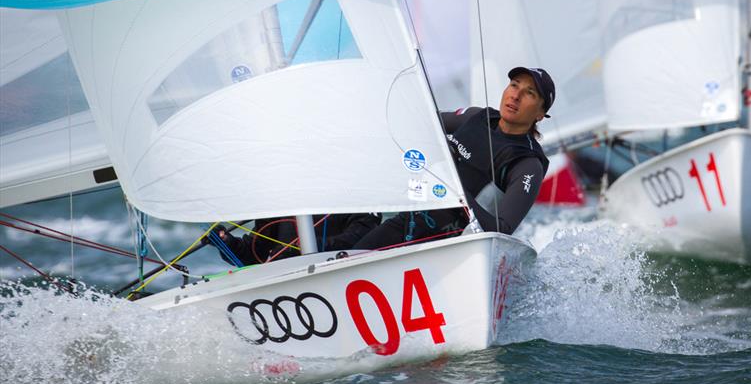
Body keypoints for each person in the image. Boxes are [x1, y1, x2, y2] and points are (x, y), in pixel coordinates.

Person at [353, 66, 554, 249]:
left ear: (540, 114)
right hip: (410, 221)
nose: (516, 95)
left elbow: (502, 229)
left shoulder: (528, 164)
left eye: (529, 93)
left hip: (454, 249)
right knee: (354, 254)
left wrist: (454, 189)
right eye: (513, 85)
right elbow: (423, 122)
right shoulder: (476, 117)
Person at [213, 212, 380, 266]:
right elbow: (255, 255)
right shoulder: (284, 201)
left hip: (340, 274)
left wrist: (304, 248)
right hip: (287, 285)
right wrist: (228, 244)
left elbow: (362, 240)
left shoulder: (356, 196)